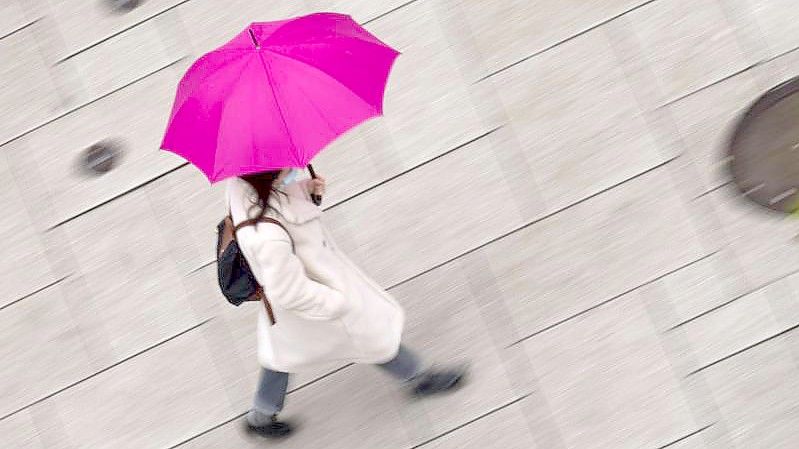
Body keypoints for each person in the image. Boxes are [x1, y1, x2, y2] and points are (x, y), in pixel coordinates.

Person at [226, 167, 467, 439]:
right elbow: (289, 291)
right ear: (265, 174)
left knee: (282, 355)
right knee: (370, 336)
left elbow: (285, 208)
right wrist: (337, 304)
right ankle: (419, 378)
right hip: (315, 299)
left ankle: (261, 416)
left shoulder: (242, 186)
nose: (291, 168)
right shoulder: (268, 238)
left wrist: (308, 193)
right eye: (283, 167)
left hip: (295, 304)